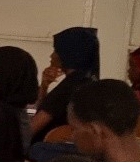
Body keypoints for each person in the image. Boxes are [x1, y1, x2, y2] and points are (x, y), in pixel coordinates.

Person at [29, 25, 100, 153]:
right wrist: (44, 85)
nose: (52, 56)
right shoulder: (89, 81)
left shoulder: (68, 88)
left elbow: (33, 127)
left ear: (68, 53)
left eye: (56, 50)